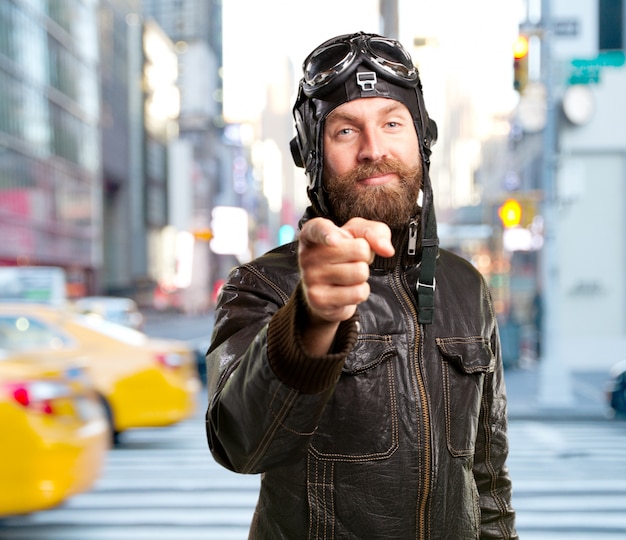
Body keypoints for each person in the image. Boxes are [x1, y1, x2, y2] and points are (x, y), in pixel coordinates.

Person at [205, 31, 518, 539]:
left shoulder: (464, 285)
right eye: (346, 131)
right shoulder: (262, 285)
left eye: (392, 123)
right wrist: (311, 320)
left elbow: (488, 477)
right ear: (311, 154)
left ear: (422, 141)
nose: (374, 149)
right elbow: (240, 443)